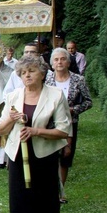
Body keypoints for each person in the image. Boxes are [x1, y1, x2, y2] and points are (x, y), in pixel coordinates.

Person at [0, 56, 71, 213]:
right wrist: (11, 120)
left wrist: (36, 131)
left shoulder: (55, 95)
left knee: (46, 195)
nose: (27, 75)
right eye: (22, 72)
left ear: (42, 73)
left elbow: (64, 130)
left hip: (44, 154)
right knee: (19, 198)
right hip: (17, 154)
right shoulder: (13, 96)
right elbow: (0, 128)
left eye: (31, 71)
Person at [45, 48, 92, 203]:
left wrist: (74, 110)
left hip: (70, 123)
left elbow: (88, 101)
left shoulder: (78, 80)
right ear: (52, 63)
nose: (59, 62)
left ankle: (60, 192)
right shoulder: (47, 80)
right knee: (50, 156)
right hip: (49, 124)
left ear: (68, 61)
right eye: (56, 59)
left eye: (62, 59)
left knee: (65, 157)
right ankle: (49, 190)